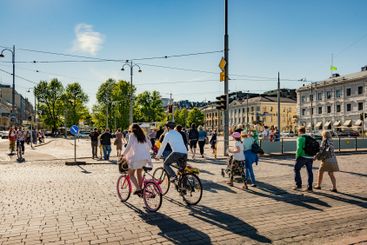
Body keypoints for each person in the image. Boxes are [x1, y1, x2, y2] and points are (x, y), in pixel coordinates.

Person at [121, 124, 152, 195]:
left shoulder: (132, 135)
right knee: (139, 173)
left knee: (131, 174)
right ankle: (141, 190)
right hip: (145, 158)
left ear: (132, 129)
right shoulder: (143, 135)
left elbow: (128, 146)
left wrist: (123, 154)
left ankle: (138, 188)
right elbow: (150, 145)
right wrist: (144, 150)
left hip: (137, 158)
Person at [294, 126, 314, 191]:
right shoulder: (310, 137)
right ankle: (310, 187)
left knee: (296, 169)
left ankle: (298, 185)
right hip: (310, 157)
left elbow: (299, 149)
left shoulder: (300, 138)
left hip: (302, 156)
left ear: (299, 131)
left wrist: (297, 156)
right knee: (309, 171)